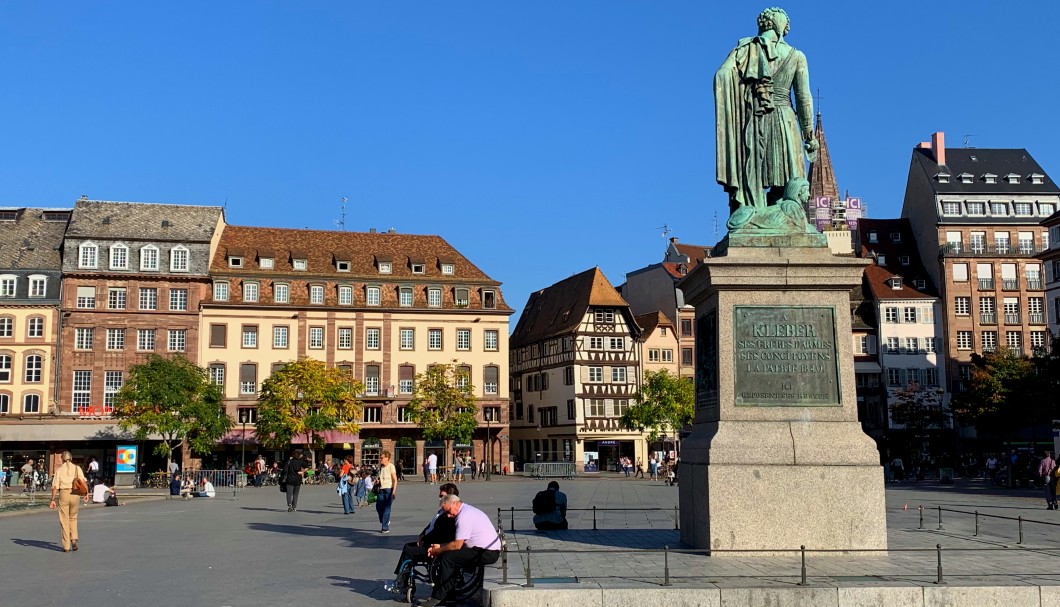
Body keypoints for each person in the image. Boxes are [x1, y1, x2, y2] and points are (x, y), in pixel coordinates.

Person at [715, 7, 817, 216]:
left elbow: (722, 75)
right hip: (784, 120)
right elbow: (803, 98)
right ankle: (784, 217)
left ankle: (759, 213)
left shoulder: (744, 49)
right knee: (788, 182)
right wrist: (809, 134)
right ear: (783, 27)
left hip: (753, 121)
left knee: (755, 172)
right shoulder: (796, 56)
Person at [421, 495, 502, 607]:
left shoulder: (463, 516)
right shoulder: (467, 510)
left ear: (455, 503)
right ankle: (449, 593)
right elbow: (459, 541)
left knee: (448, 558)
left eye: (448, 511)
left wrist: (438, 550)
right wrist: (439, 545)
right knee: (450, 557)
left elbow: (457, 545)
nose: (448, 515)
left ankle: (439, 597)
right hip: (487, 549)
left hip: (486, 552)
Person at [388, 483, 460, 593]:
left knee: (409, 551)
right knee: (408, 546)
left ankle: (401, 581)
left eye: (442, 496)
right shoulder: (442, 512)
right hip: (430, 541)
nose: (439, 498)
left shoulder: (448, 515)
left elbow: (439, 534)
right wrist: (422, 534)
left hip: (435, 546)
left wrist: (426, 540)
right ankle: (402, 579)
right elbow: (431, 525)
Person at [49, 451, 87, 552]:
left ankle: (66, 545)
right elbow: (83, 481)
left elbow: (55, 486)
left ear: (62, 458)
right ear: (71, 458)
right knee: (73, 517)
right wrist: (86, 494)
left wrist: (52, 499)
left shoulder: (59, 470)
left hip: (64, 494)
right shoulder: (77, 468)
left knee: (64, 519)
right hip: (75, 493)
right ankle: (74, 538)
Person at [376, 450, 398, 533]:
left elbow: (395, 480)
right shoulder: (381, 467)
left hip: (389, 489)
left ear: (387, 458)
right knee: (378, 507)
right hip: (381, 489)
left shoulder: (391, 466)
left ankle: (385, 528)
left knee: (386, 509)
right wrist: (377, 481)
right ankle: (385, 520)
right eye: (380, 458)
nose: (380, 459)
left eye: (382, 458)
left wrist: (394, 491)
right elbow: (380, 477)